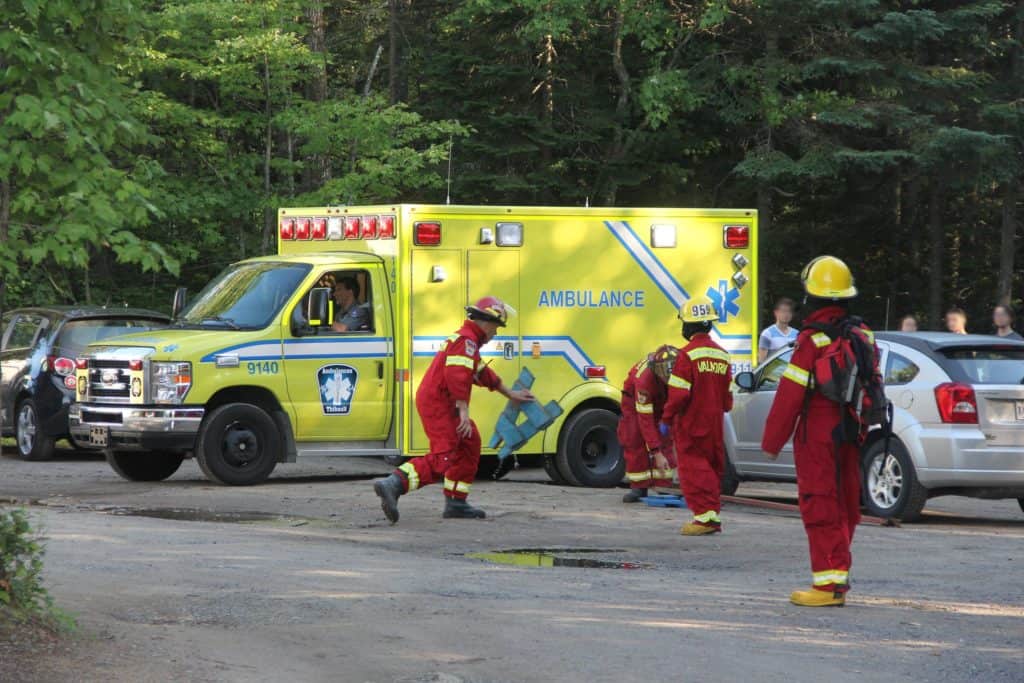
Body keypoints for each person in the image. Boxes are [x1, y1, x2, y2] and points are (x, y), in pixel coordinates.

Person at [761, 256, 881, 607]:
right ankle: (838, 577)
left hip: (818, 433)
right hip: (852, 431)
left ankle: (827, 585)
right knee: (846, 503)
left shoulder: (811, 341)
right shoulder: (863, 334)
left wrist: (772, 442)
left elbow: (789, 397)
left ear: (811, 295)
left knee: (818, 502)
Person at [372, 297, 534, 522]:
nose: (496, 334)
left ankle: (456, 502)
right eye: (496, 328)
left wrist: (510, 394)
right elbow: (456, 376)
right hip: (439, 403)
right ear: (486, 323)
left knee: (470, 443)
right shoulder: (466, 341)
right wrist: (463, 413)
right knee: (443, 456)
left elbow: (481, 373)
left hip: (441, 401)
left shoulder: (468, 342)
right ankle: (394, 484)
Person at [659, 296, 733, 536]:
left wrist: (666, 419)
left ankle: (703, 518)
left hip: (691, 422)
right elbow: (727, 398)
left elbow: (679, 395)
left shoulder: (686, 355)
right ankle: (712, 513)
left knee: (693, 470)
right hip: (715, 423)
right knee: (712, 468)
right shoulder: (723, 355)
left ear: (689, 326)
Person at [618, 345, 678, 504]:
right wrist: (656, 452)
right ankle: (639, 486)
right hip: (633, 403)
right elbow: (645, 420)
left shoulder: (679, 370)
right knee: (634, 437)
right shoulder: (645, 381)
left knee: (665, 437)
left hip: (661, 399)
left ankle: (664, 485)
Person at [758, 298, 798, 363]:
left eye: (789, 311)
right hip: (773, 373)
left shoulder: (797, 334)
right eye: (783, 311)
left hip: (792, 372)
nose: (786, 314)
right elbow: (761, 360)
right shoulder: (767, 333)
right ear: (776, 313)